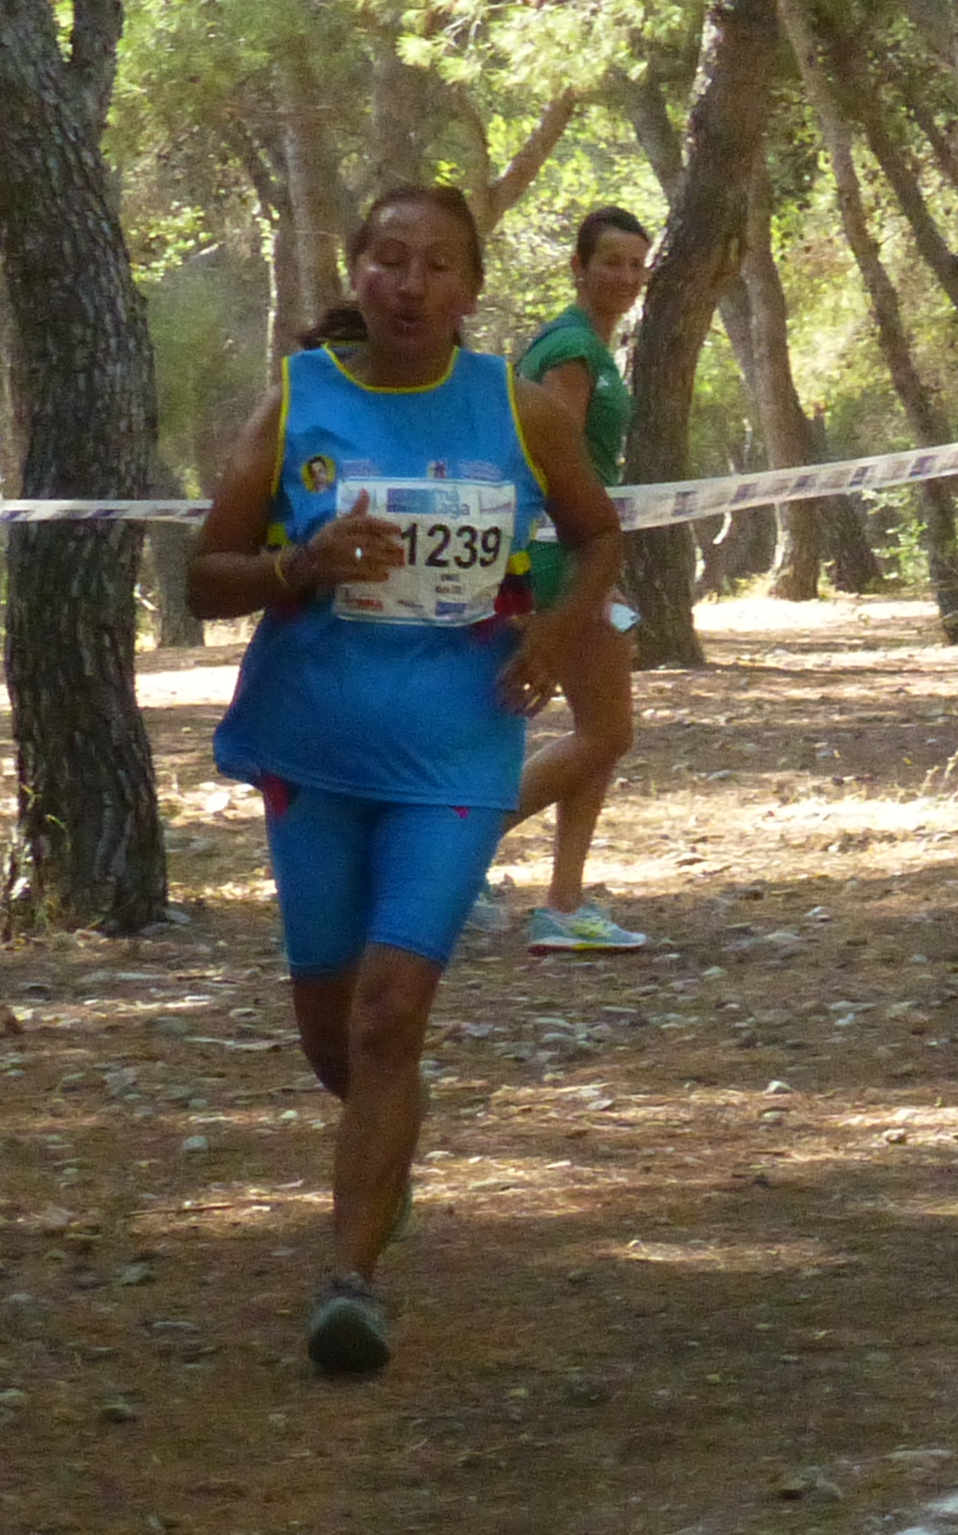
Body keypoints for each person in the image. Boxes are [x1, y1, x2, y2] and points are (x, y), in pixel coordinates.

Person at [188, 185, 623, 1374]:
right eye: (389, 260)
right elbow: (203, 577)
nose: (411, 285)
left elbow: (598, 532)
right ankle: (384, 1162)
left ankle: (351, 1282)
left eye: (437, 265)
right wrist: (298, 564)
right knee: (333, 1034)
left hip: (456, 749)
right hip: (313, 751)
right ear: (357, 272)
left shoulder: (517, 407)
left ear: (471, 289)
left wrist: (557, 634)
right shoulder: (298, 400)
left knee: (391, 1014)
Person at [472, 206, 654, 954]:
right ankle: (457, 848)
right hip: (559, 559)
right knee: (609, 732)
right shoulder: (571, 350)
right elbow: (557, 466)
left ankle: (565, 904)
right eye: (611, 261)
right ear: (579, 267)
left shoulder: (589, 346)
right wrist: (587, 577)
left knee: (599, 736)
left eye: (636, 264)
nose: (626, 277)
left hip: (575, 555)